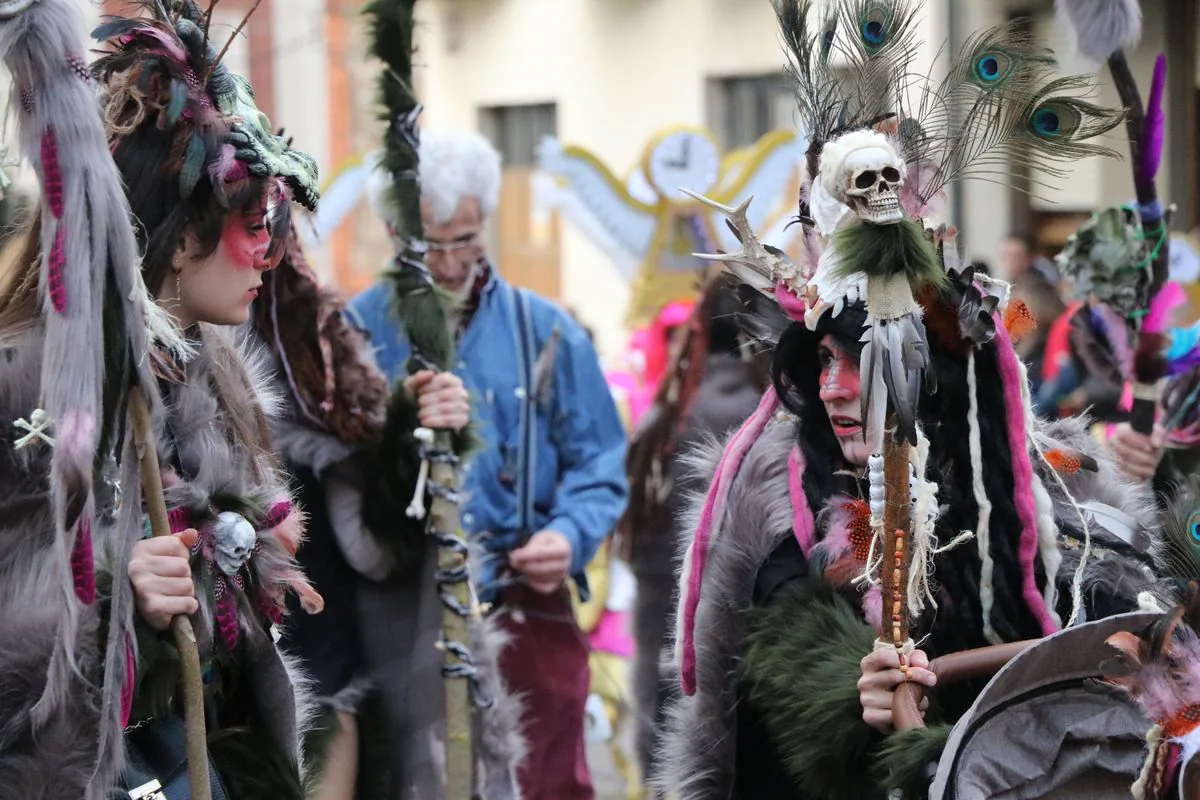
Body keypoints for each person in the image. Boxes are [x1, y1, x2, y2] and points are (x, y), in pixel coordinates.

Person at [658, 3, 1173, 798]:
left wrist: (1156, 474)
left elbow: (1121, 648)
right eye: (820, 363)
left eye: (859, 361)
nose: (834, 388)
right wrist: (854, 697)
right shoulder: (774, 515)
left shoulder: (1033, 486)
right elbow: (780, 671)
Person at [1, 2, 325, 795]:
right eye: (255, 226)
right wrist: (114, 593)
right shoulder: (33, 380)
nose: (271, 257)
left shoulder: (220, 378)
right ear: (182, 239)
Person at [352, 130, 628, 800]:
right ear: (395, 230)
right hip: (402, 614)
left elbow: (600, 459)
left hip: (525, 609)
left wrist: (568, 534)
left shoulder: (547, 329)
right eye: (431, 244)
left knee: (547, 782)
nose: (449, 264)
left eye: (466, 240)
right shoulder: (354, 333)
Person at [620, 278, 768, 793]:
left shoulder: (669, 412)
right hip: (748, 610)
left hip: (664, 596)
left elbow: (635, 521)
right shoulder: (773, 415)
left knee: (666, 727)